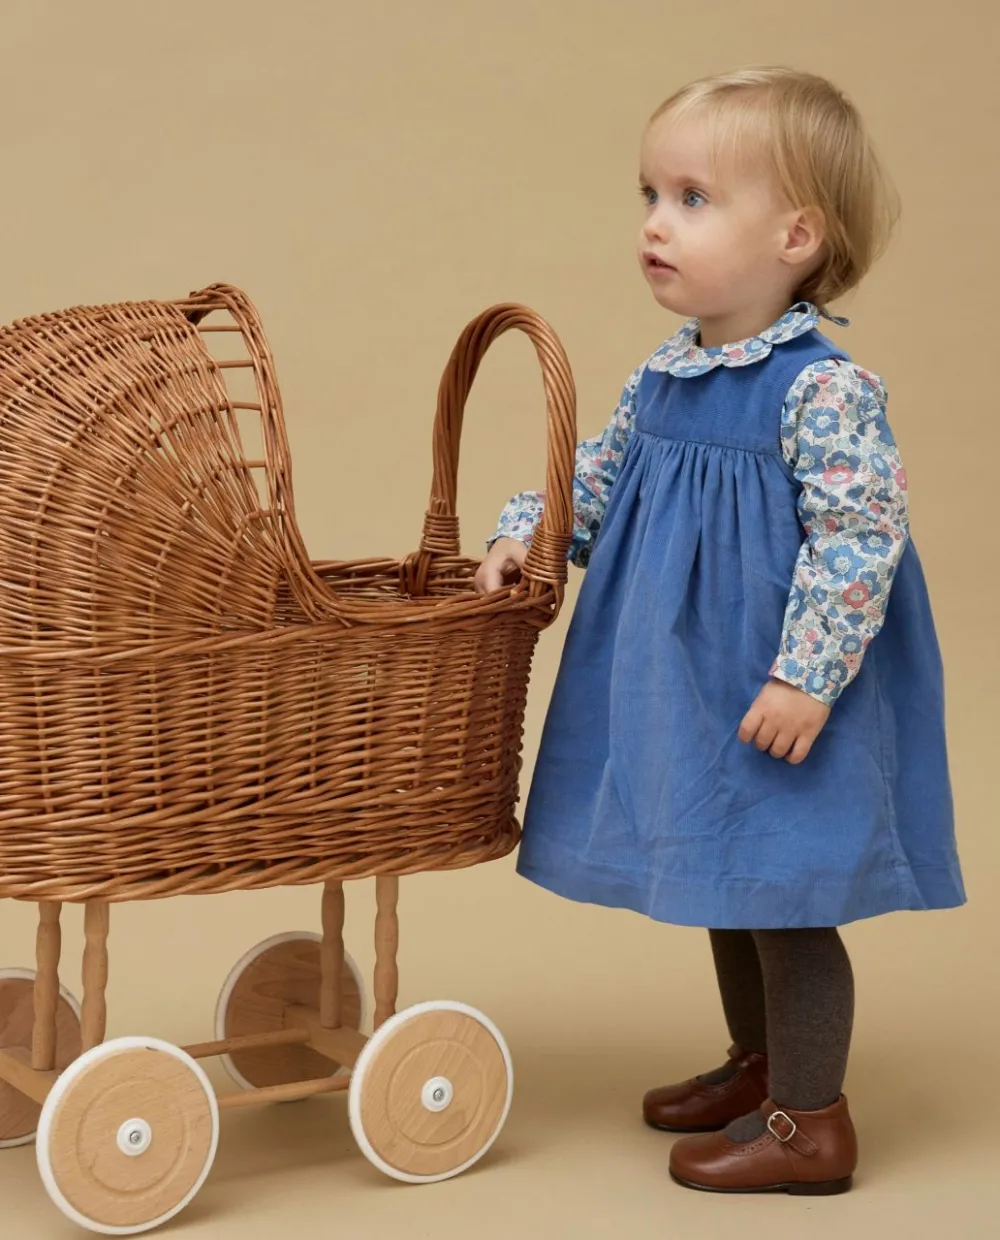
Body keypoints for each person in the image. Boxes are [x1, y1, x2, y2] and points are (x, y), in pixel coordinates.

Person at [475, 66, 965, 1196]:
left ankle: (811, 1122)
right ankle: (762, 1066)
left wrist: (807, 677)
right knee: (723, 880)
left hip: (773, 691)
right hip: (687, 685)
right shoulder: (667, 374)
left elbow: (860, 538)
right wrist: (527, 530)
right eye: (650, 194)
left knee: (783, 895)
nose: (656, 222)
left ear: (796, 235)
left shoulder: (820, 391)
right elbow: (598, 480)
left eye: (693, 199)